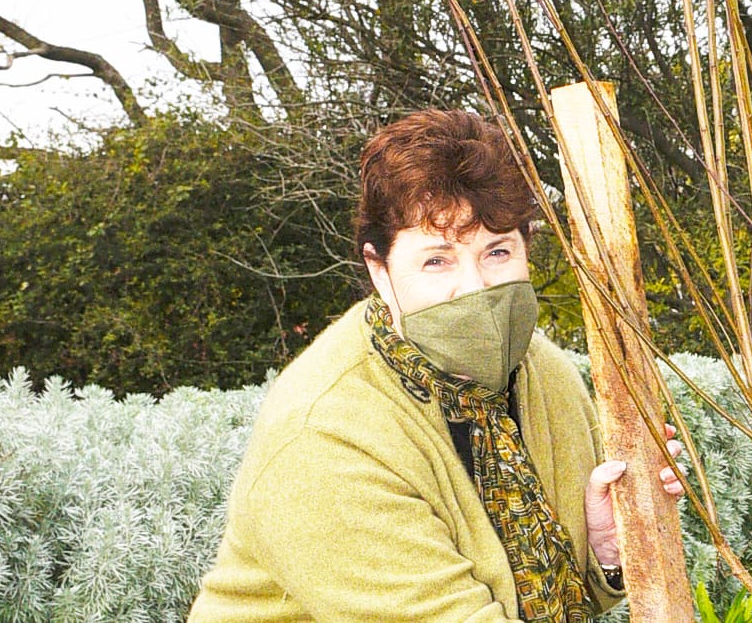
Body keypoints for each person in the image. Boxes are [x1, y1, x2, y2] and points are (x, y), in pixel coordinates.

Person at [190, 109, 682, 623]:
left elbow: (564, 598)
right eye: (437, 260)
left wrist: (605, 550)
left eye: (496, 251)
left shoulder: (543, 373)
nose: (475, 288)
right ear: (379, 271)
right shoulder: (323, 437)